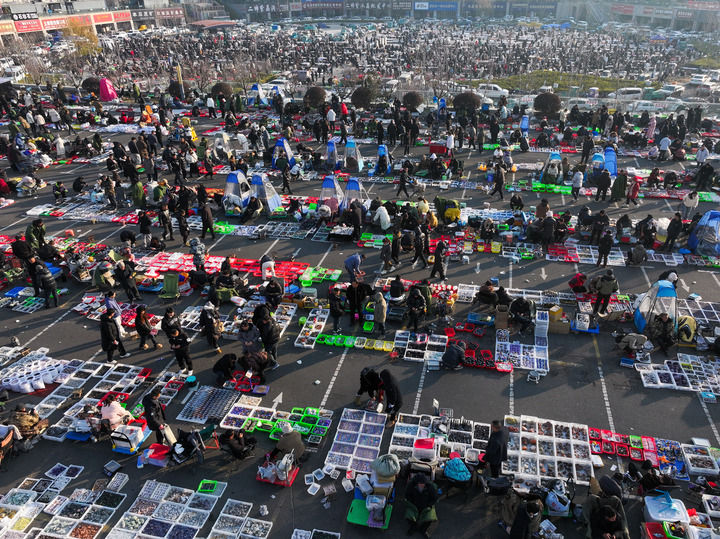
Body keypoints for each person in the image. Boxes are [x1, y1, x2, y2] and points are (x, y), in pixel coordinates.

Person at [404, 473, 440, 537]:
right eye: (420, 483)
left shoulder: (430, 487)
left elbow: (434, 498)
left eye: (423, 483)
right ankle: (413, 527)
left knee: (430, 518)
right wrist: (411, 503)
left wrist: (429, 505)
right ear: (416, 483)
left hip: (426, 507)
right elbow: (407, 495)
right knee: (408, 516)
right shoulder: (411, 485)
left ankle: (423, 530)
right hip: (414, 506)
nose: (422, 485)